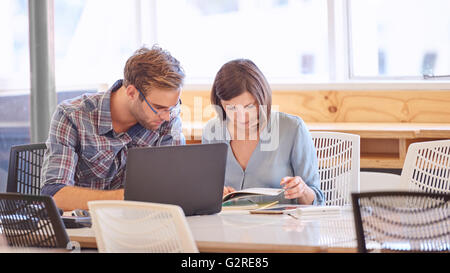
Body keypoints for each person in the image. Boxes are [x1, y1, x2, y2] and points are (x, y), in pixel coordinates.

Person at [41, 46, 185, 211]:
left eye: (172, 107)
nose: (166, 116)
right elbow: (55, 195)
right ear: (131, 93)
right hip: (83, 230)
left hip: (143, 227)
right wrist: (123, 199)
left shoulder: (167, 119)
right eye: (158, 107)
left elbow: (173, 188)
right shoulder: (73, 116)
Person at [202, 59, 324, 205]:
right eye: (231, 108)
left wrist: (302, 190)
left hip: (281, 225)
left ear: (261, 98)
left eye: (248, 106)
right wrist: (215, 194)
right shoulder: (212, 132)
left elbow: (317, 200)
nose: (241, 117)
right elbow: (206, 196)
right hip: (228, 224)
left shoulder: (292, 128)